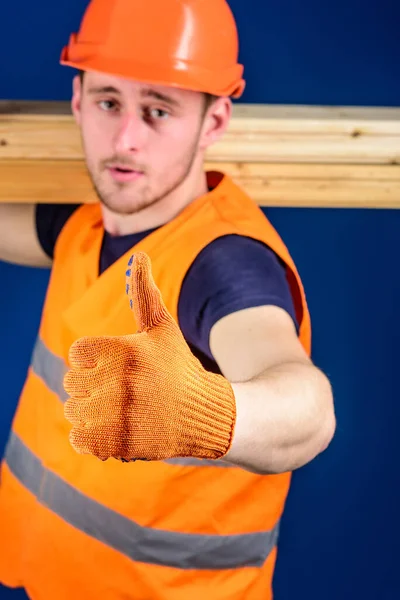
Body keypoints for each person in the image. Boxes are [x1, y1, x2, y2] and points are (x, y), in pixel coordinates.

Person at [0, 0, 336, 598]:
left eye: (158, 110)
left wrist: (207, 413)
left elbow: (305, 408)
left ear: (213, 123)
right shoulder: (87, 227)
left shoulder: (225, 266)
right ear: (77, 100)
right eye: (109, 103)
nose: (125, 139)